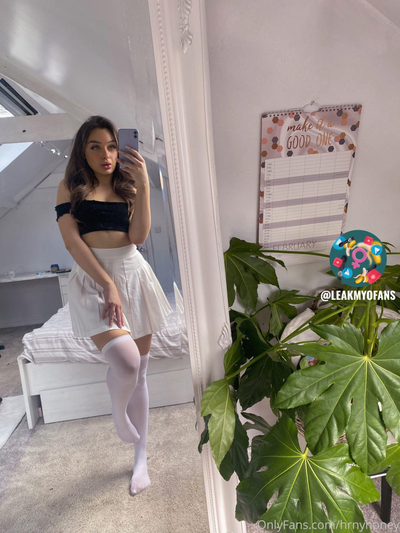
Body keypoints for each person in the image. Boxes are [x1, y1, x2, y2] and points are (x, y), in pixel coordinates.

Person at [55, 115, 172, 496]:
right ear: (82, 151)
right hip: (94, 279)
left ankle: (141, 458)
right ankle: (118, 412)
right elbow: (72, 242)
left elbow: (138, 237)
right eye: (95, 147)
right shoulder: (69, 188)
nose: (105, 155)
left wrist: (144, 185)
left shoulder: (128, 186)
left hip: (134, 275)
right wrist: (107, 284)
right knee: (126, 361)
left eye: (111, 146)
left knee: (140, 372)